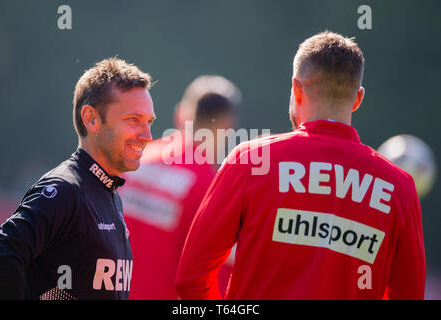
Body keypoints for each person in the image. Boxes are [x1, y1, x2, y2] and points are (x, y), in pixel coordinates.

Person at [175, 31, 426, 299]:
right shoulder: (399, 187)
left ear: (296, 89)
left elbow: (191, 278)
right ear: (357, 98)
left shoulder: (250, 161)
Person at [0, 57, 156, 300]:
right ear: (91, 119)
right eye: (133, 120)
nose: (147, 135)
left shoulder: (108, 192)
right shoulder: (65, 190)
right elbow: (1, 258)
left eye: (149, 122)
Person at [119, 75, 241, 299]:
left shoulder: (134, 160)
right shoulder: (210, 185)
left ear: (180, 115)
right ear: (227, 126)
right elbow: (216, 272)